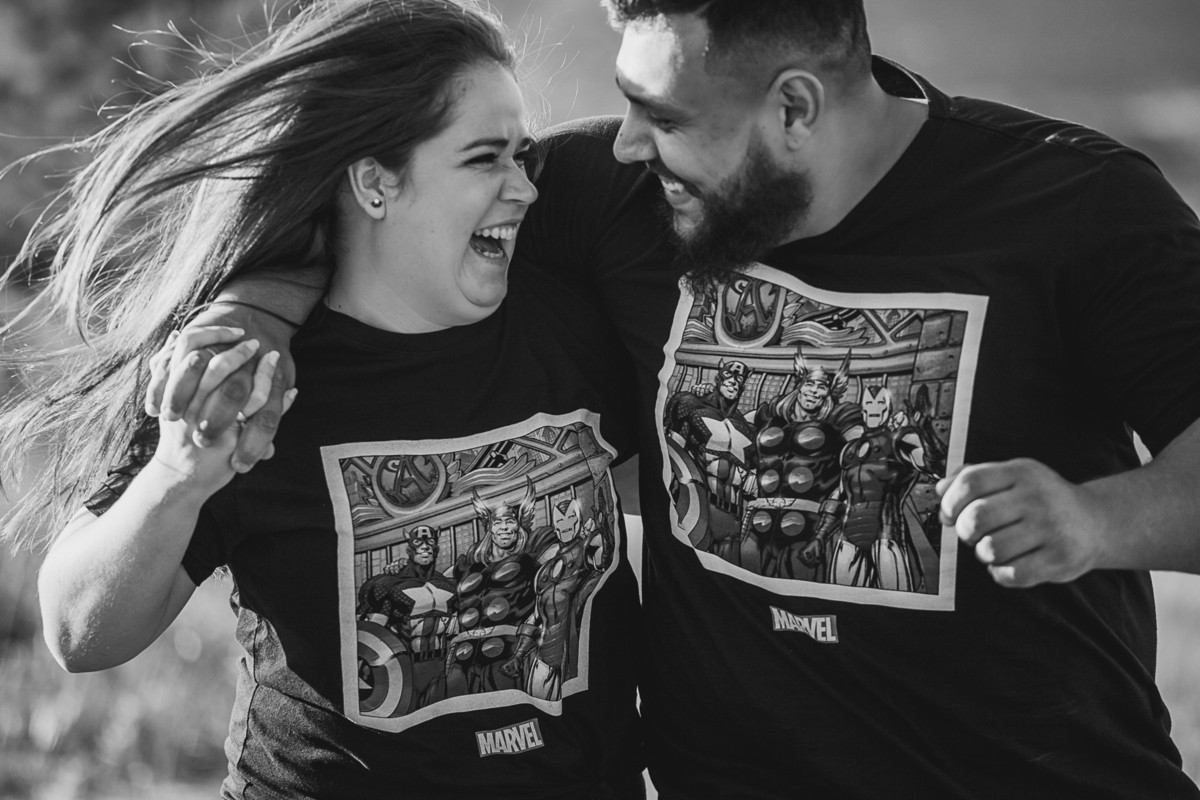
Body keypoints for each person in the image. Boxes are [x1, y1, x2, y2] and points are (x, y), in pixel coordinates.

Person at [142, 0, 1200, 798]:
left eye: (662, 114)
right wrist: (251, 315)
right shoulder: (623, 195)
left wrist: (1093, 521)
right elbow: (376, 201)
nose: (624, 142)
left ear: (794, 107)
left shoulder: (1078, 207)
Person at [0, 1, 645, 797]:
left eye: (524, 156)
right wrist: (178, 475)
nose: (524, 189)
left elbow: (665, 504)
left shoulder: (571, 330)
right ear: (375, 182)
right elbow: (77, 633)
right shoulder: (252, 373)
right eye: (485, 160)